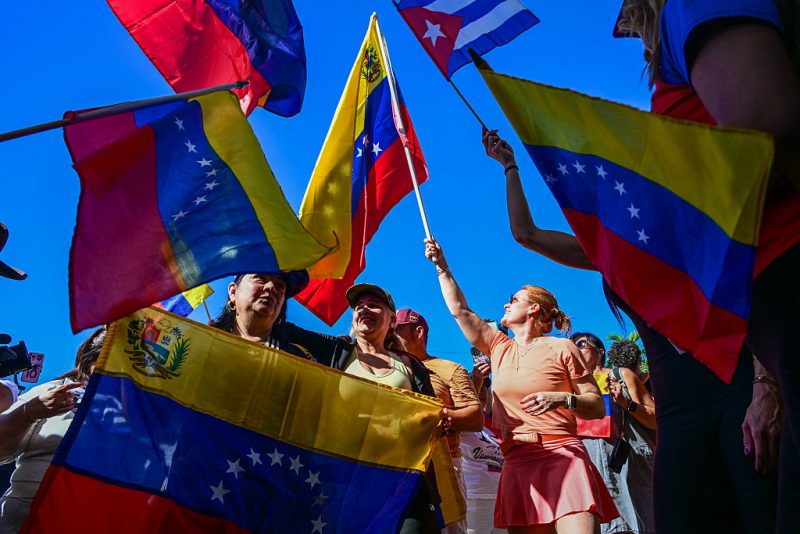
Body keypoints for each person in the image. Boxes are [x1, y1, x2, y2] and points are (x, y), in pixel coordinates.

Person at [483, 123, 780, 532]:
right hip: (677, 408)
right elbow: (527, 234)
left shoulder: (693, 229)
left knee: (760, 511)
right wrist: (510, 166)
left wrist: (766, 386)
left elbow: (752, 304)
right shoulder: (614, 249)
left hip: (735, 389)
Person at [424, 237, 617, 534]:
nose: (506, 303)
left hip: (562, 454)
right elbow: (461, 311)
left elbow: (594, 405)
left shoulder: (562, 348)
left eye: (514, 300)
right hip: (516, 461)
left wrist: (563, 399)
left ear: (535, 309)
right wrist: (441, 267)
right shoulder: (498, 347)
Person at [0, 327, 105, 532]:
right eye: (108, 362)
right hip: (23, 520)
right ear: (89, 361)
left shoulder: (149, 416)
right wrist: (29, 412)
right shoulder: (54, 392)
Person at [395, 308, 483, 534]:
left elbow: (475, 418)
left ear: (419, 331)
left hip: (444, 466)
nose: (389, 333)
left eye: (396, 329)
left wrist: (432, 416)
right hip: (396, 466)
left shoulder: (450, 369)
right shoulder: (385, 367)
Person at [461, 373, 506, 534]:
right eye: (478, 386)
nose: (481, 392)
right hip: (474, 499)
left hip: (504, 498)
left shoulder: (500, 424)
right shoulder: (463, 420)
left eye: (485, 388)